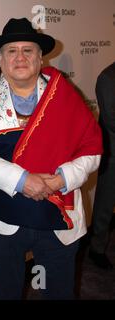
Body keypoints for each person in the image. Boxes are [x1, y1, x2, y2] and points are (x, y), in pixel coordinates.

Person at [0, 17, 103, 299]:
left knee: (57, 293)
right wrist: (21, 180)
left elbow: (92, 150)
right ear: (0, 58)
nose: (20, 57)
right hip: (4, 221)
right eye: (11, 51)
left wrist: (62, 179)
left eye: (28, 50)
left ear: (40, 56)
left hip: (57, 218)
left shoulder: (65, 96)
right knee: (6, 294)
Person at [89, 61, 115, 269]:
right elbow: (110, 119)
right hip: (113, 153)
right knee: (106, 204)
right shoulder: (107, 77)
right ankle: (96, 249)